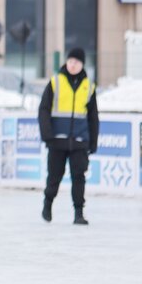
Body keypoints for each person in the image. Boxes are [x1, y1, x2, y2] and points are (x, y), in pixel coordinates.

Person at [38, 47, 99, 225]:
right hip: (57, 140)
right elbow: (44, 110)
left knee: (79, 177)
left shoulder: (89, 87)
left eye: (77, 62)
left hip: (79, 141)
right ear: (66, 62)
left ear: (82, 65)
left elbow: (93, 117)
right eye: (71, 61)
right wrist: (47, 134)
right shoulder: (55, 82)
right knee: (54, 177)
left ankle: (78, 213)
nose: (73, 65)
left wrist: (93, 141)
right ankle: (48, 203)